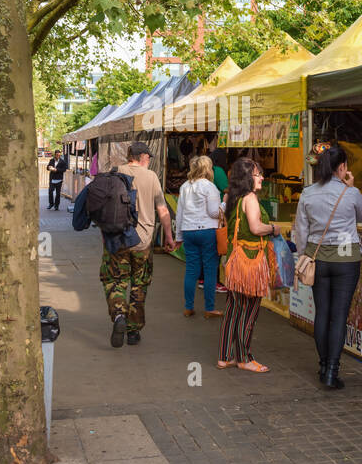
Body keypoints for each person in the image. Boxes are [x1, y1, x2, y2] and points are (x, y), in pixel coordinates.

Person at [294, 146, 362, 389]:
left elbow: (301, 230)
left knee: (322, 313)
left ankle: (323, 364)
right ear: (342, 167)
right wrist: (349, 185)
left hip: (317, 258)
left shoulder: (307, 193)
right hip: (346, 259)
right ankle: (331, 372)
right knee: (339, 315)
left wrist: (304, 255)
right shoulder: (352, 192)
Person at [100, 141, 174, 348]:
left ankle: (118, 316)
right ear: (143, 157)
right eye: (149, 157)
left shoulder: (115, 173)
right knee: (139, 284)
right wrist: (168, 236)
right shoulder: (151, 177)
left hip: (117, 239)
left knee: (114, 280)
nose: (149, 160)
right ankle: (133, 332)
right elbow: (163, 211)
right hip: (142, 242)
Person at [218, 157, 280, 374]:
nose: (262, 177)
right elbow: (255, 227)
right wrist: (273, 228)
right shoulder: (250, 198)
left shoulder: (231, 197)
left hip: (235, 259)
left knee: (233, 308)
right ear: (247, 178)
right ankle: (244, 357)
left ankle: (225, 356)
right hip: (250, 261)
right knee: (249, 310)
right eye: (257, 174)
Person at [174, 155, 223, 319]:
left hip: (188, 231)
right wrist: (224, 204)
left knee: (191, 270)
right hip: (208, 231)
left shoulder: (184, 187)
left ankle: (188, 307)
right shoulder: (210, 187)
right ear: (207, 168)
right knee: (209, 270)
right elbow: (214, 212)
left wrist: (178, 236)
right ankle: (209, 308)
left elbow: (179, 214)